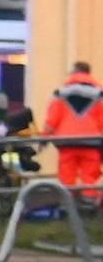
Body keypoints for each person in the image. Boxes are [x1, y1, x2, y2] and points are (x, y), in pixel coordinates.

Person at [43, 62, 103, 192]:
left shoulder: (60, 93)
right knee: (89, 178)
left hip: (66, 142)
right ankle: (89, 204)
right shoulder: (100, 94)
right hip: (92, 142)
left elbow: (51, 121)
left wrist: (43, 139)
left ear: (74, 73)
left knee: (66, 178)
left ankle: (68, 204)